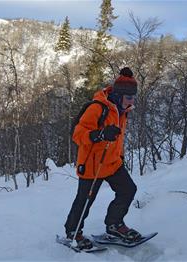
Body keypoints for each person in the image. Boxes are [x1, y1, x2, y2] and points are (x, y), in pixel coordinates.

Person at [64, 67, 141, 249]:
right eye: (129, 97)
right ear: (120, 95)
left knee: (128, 190)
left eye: (133, 97)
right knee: (84, 201)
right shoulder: (98, 108)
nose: (132, 101)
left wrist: (119, 156)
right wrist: (99, 135)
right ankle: (73, 232)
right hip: (92, 164)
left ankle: (114, 224)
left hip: (112, 162)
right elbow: (77, 134)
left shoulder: (123, 110)